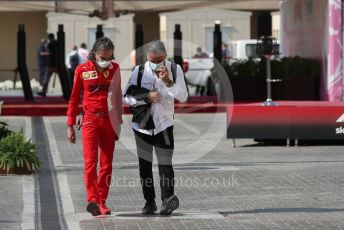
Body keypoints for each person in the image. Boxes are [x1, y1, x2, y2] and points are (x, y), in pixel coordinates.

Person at [124, 40, 188, 215]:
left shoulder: (175, 70)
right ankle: (149, 201)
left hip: (164, 124)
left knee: (165, 163)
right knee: (144, 165)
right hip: (142, 126)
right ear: (147, 57)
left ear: (165, 56)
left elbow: (183, 96)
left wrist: (168, 82)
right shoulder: (139, 71)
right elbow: (127, 97)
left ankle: (168, 200)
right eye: (153, 60)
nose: (157, 63)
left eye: (160, 59)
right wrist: (147, 96)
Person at [66, 37, 123, 216]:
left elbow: (117, 97)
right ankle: (92, 200)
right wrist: (69, 124)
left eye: (109, 57)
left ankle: (102, 201)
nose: (106, 61)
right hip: (90, 120)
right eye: (102, 57)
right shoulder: (82, 70)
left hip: (109, 121)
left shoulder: (115, 69)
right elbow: (74, 98)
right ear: (94, 54)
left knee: (106, 164)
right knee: (90, 163)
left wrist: (118, 123)